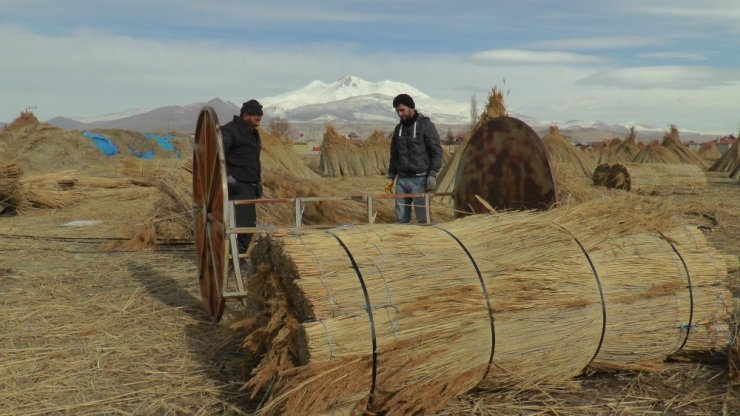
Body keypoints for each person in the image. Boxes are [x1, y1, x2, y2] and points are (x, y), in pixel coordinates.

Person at [385, 93, 443, 224]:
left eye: (402, 110)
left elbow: (436, 151)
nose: (400, 114)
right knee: (400, 219)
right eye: (397, 111)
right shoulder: (398, 129)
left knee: (423, 219)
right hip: (402, 180)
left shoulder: (425, 125)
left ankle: (427, 243)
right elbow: (394, 155)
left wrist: (433, 173)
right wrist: (391, 177)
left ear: (411, 107)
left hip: (420, 179)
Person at [221, 99, 264, 254]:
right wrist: (230, 181)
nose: (259, 123)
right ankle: (233, 259)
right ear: (246, 116)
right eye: (256, 119)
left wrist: (256, 182)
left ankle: (238, 257)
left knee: (248, 226)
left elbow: (252, 160)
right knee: (239, 227)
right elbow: (217, 157)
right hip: (236, 187)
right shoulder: (229, 131)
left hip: (249, 186)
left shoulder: (252, 133)